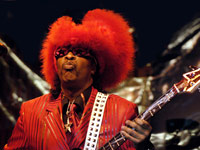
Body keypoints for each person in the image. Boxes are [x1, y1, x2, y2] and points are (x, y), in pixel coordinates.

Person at [4, 9, 154, 150]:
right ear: (54, 64)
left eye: (78, 51)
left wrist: (144, 146)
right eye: (61, 52)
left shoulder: (123, 110)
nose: (68, 56)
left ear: (94, 66)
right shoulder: (30, 111)